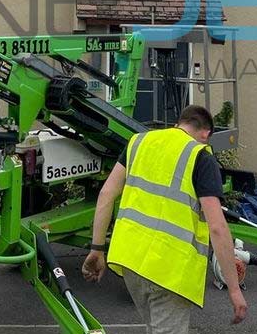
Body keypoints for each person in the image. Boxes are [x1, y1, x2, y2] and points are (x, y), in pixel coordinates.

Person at [82, 104, 247, 334]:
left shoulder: (138, 142)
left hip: (130, 261)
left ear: (180, 123)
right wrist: (234, 289)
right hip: (169, 270)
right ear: (205, 133)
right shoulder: (200, 156)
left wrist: (97, 248)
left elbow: (106, 194)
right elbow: (217, 227)